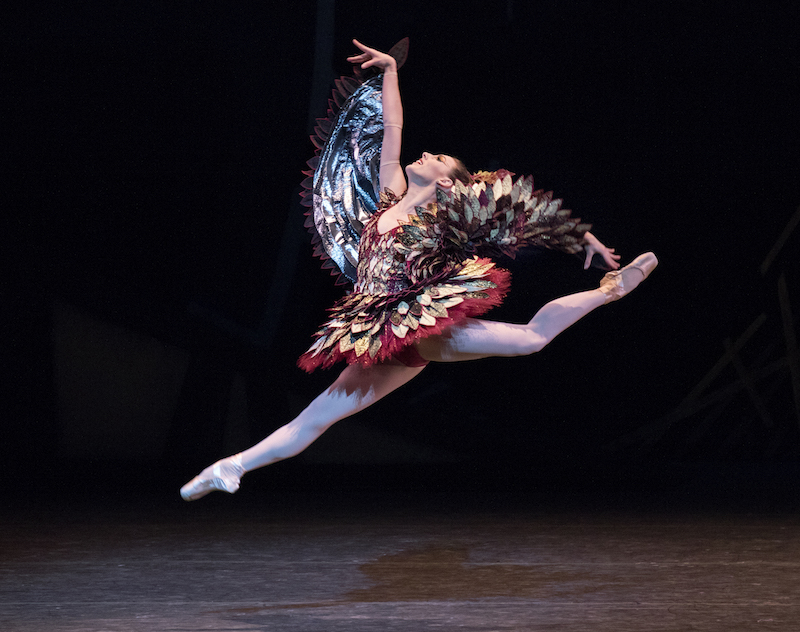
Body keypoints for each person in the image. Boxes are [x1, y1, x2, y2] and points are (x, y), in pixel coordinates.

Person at [180, 40, 657, 501]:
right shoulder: (389, 195)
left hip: (420, 320)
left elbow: (519, 214)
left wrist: (580, 237)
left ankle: (611, 290)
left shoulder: (446, 218)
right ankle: (230, 466)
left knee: (532, 339)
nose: (426, 155)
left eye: (439, 158)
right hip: (382, 332)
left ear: (448, 181)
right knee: (315, 418)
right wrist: (390, 71)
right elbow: (393, 128)